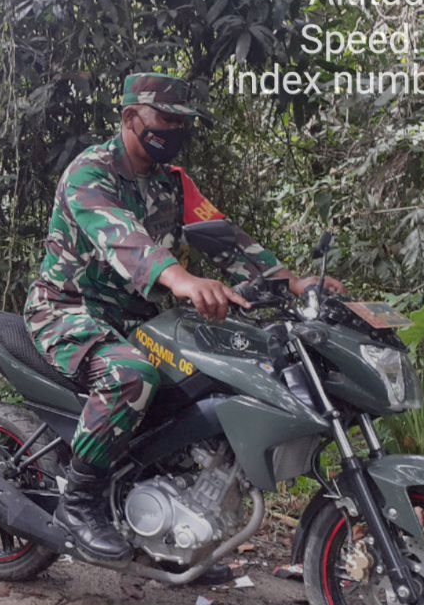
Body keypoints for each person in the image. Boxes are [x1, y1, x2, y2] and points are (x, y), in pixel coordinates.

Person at [24, 72, 343, 562]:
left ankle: (173, 524)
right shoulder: (90, 174)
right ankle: (79, 500)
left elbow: (224, 237)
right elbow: (123, 239)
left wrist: (290, 282)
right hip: (69, 309)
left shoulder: (172, 181)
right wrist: (180, 280)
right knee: (130, 375)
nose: (175, 131)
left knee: (206, 383)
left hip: (140, 318)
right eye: (166, 120)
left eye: (182, 123)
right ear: (131, 118)